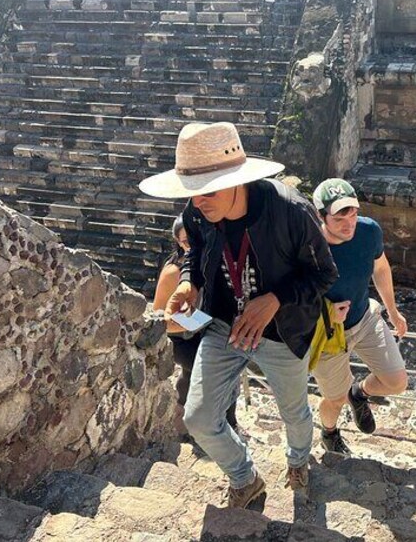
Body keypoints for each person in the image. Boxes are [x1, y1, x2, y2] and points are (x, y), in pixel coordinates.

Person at [139, 122, 338, 509]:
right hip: (223, 324)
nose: (197, 202)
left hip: (281, 332)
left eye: (208, 190)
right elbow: (195, 250)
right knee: (197, 418)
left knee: (294, 412)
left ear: (237, 182)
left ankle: (298, 461)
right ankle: (245, 478)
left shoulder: (291, 211)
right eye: (192, 192)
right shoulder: (198, 208)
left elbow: (324, 273)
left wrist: (275, 299)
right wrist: (189, 281)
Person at [310, 178, 409, 455]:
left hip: (364, 318)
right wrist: (327, 312)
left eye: (352, 212)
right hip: (327, 332)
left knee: (397, 382)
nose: (349, 222)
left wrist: (392, 310)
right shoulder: (308, 247)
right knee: (334, 398)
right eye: (340, 216)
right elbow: (290, 298)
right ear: (321, 216)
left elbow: (380, 267)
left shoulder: (368, 231)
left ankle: (360, 393)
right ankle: (329, 433)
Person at [151, 216, 239, 435]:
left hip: (206, 331)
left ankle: (193, 426)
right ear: (178, 242)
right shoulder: (173, 272)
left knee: (199, 377)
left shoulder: (211, 261)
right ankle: (217, 428)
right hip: (184, 339)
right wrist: (196, 321)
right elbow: (159, 317)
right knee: (214, 376)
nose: (192, 245)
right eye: (185, 241)